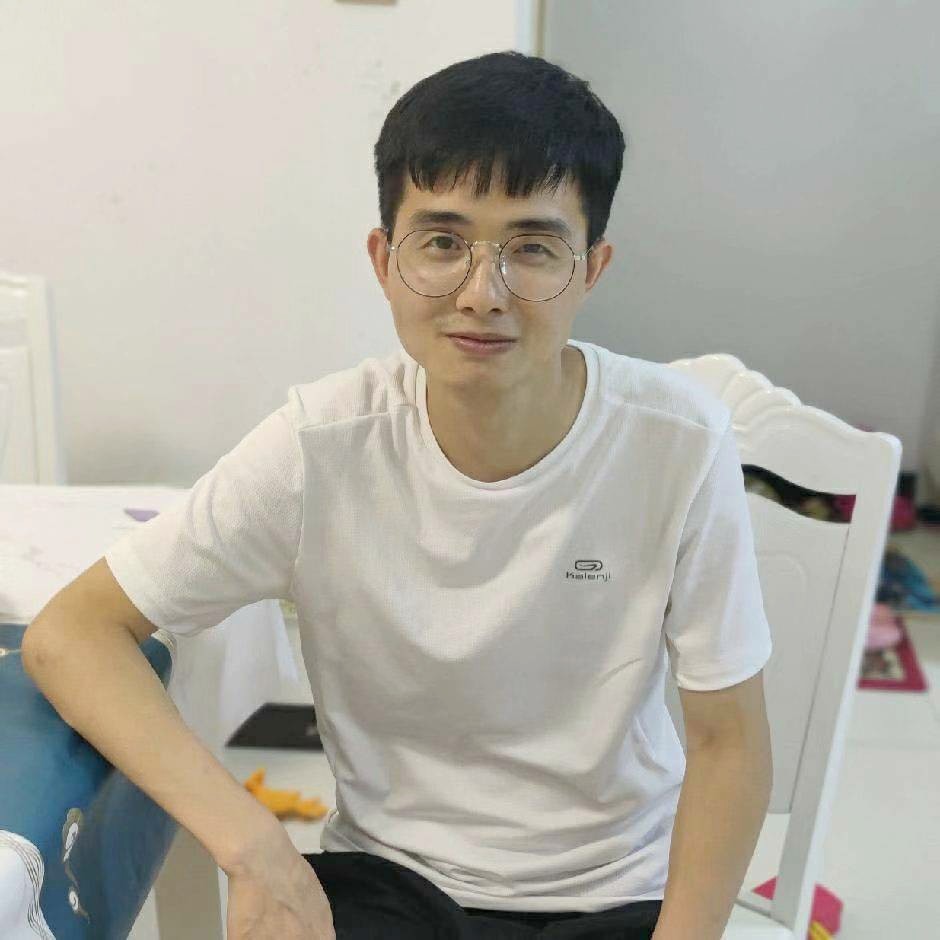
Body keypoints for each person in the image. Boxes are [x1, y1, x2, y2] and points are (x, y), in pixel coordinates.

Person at [24, 50, 773, 939]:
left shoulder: (676, 442)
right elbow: (72, 635)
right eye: (443, 243)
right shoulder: (321, 447)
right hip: (392, 886)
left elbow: (729, 743)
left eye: (533, 249)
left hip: (618, 891)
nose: (482, 294)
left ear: (593, 268)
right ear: (384, 259)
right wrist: (254, 846)